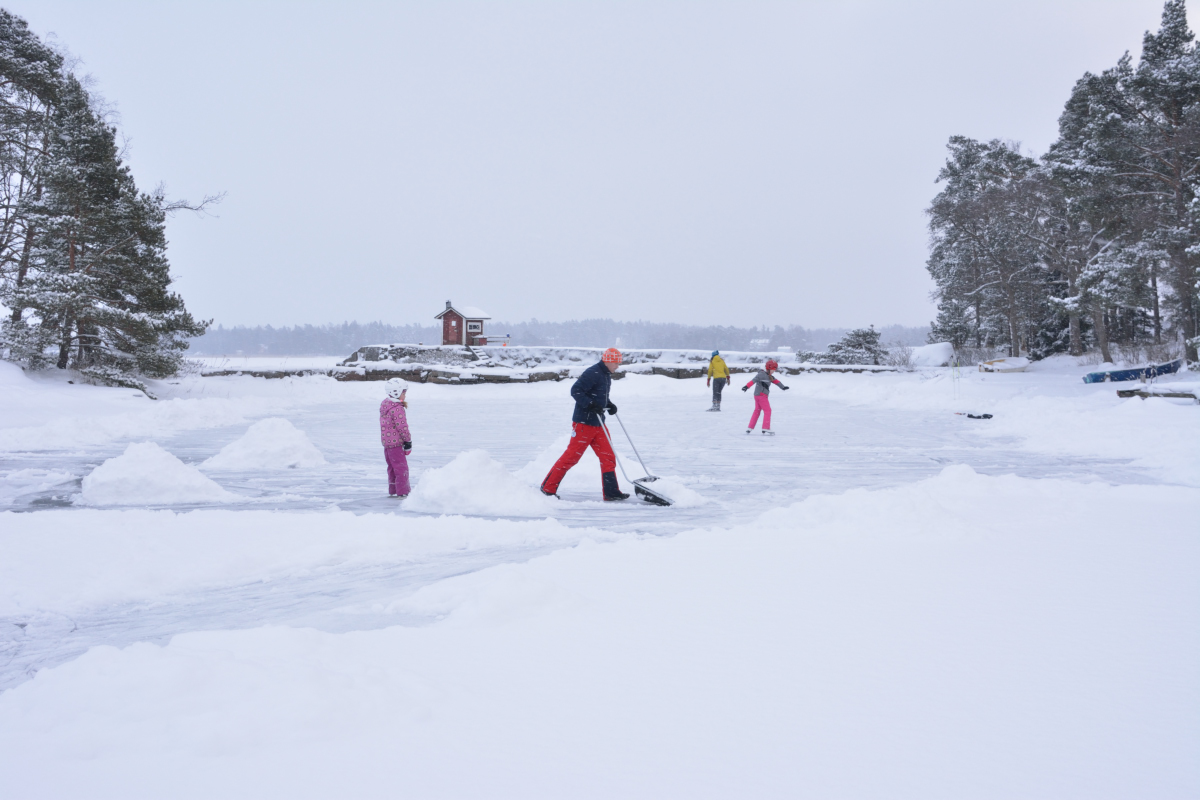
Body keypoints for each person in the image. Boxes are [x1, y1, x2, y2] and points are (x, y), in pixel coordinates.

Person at [540, 347, 630, 500]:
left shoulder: (606, 374)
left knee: (608, 457)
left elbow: (598, 395)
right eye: (616, 362)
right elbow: (576, 391)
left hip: (599, 423)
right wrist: (590, 404)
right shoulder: (592, 372)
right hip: (584, 423)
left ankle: (611, 492)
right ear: (608, 361)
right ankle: (547, 488)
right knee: (571, 457)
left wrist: (609, 404)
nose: (618, 366)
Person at [379, 380, 412, 496]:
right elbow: (402, 427)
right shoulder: (397, 408)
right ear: (397, 392)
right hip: (396, 444)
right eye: (404, 392)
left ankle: (393, 491)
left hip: (387, 444)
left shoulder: (386, 405)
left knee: (392, 467)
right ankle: (403, 492)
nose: (405, 395)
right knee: (401, 468)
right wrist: (408, 441)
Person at [741, 358, 789, 435]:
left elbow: (776, 381)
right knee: (768, 411)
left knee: (757, 411)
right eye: (773, 369)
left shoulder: (769, 375)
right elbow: (753, 380)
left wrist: (783, 387)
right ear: (768, 368)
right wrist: (746, 386)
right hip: (761, 396)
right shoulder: (761, 374)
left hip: (758, 395)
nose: (774, 371)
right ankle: (766, 427)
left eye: (775, 369)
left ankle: (750, 427)